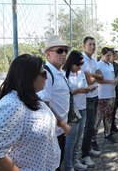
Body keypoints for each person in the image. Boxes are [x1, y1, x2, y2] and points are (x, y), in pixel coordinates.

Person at [0, 54, 60, 170]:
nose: (47, 77)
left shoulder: (31, 96)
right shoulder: (12, 106)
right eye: (43, 74)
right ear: (28, 76)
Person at [37, 35, 71, 171]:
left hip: (60, 130)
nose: (63, 54)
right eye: (59, 51)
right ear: (48, 54)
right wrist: (62, 124)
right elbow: (43, 104)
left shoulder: (59, 71)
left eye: (65, 50)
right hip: (53, 131)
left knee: (58, 161)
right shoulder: (46, 73)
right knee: (53, 165)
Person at [62, 51, 95, 171]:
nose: (80, 66)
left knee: (78, 138)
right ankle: (68, 165)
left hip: (83, 107)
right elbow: (65, 93)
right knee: (71, 140)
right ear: (71, 63)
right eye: (78, 64)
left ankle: (75, 161)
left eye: (82, 64)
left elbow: (84, 85)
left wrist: (88, 89)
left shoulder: (80, 73)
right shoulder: (64, 75)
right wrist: (80, 91)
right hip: (72, 111)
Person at [80, 36, 103, 167]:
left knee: (92, 126)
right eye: (90, 44)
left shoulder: (94, 60)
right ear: (84, 46)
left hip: (95, 95)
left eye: (94, 44)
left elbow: (101, 76)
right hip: (87, 98)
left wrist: (94, 75)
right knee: (88, 127)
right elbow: (89, 81)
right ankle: (84, 156)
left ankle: (88, 149)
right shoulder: (82, 61)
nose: (93, 47)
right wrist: (96, 76)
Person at [93, 47, 118, 143]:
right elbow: (98, 80)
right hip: (102, 95)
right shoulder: (98, 65)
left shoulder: (110, 65)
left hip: (111, 94)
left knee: (109, 116)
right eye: (107, 55)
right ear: (101, 55)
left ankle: (107, 134)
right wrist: (111, 81)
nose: (109, 57)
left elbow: (111, 77)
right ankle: (93, 138)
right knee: (98, 118)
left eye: (110, 55)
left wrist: (116, 80)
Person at [110, 49, 118, 132]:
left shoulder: (116, 65)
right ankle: (108, 126)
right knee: (108, 109)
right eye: (116, 54)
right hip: (108, 89)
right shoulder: (107, 64)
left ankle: (112, 124)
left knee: (115, 106)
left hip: (116, 88)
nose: (117, 56)